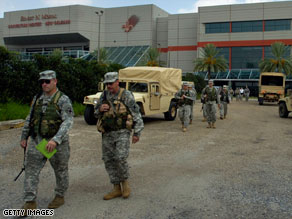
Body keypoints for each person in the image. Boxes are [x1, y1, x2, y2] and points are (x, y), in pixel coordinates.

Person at [20, 70, 74, 214]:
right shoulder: (37, 98)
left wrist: (56, 140)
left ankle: (59, 195)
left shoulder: (63, 99)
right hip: (38, 140)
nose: (44, 84)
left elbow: (68, 121)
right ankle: (30, 201)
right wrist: (24, 136)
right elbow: (30, 117)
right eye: (42, 82)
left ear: (55, 81)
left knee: (60, 171)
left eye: (47, 81)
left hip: (56, 143)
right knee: (31, 170)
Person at [94, 72, 144, 200]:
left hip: (122, 132)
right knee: (109, 159)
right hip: (107, 133)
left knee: (120, 157)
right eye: (107, 84)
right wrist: (99, 109)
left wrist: (137, 133)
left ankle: (125, 183)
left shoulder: (126, 95)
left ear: (117, 81)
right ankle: (116, 187)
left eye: (111, 83)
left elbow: (136, 113)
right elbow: (95, 112)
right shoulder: (104, 95)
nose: (109, 86)